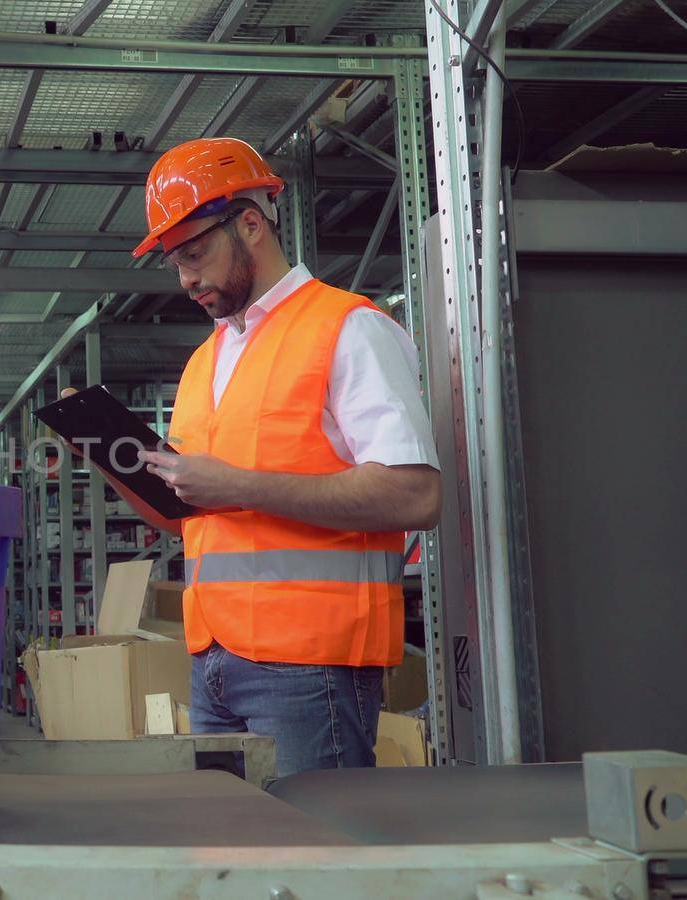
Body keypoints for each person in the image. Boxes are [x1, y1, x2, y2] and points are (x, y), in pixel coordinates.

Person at [75, 137, 441, 779]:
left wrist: (237, 485)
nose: (186, 277)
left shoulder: (348, 328)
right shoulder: (204, 362)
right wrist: (106, 454)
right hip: (212, 661)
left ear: (250, 223)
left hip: (312, 665)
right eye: (174, 262)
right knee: (233, 855)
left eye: (196, 253)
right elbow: (188, 517)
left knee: (312, 858)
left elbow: (415, 496)